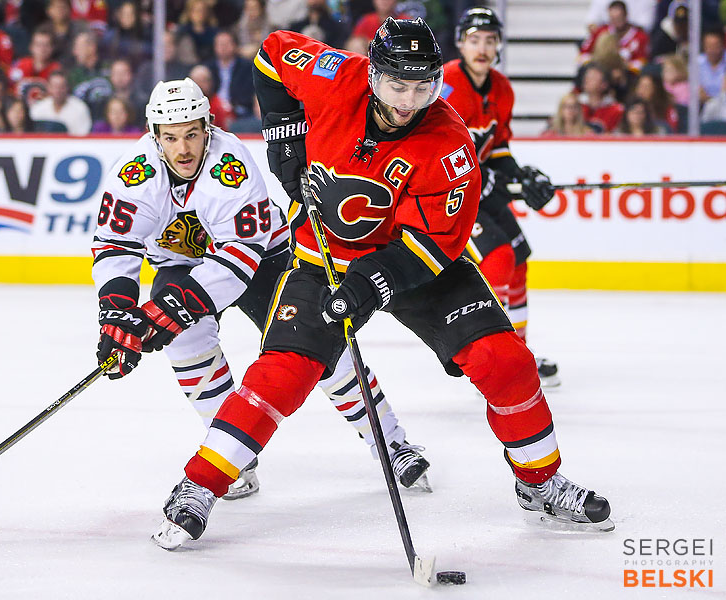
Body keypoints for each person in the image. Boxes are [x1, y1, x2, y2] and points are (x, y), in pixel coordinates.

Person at [151, 17, 614, 550]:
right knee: (282, 375)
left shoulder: (449, 143)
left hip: (415, 266)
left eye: (423, 86)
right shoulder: (334, 75)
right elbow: (272, 53)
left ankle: (541, 482)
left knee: (505, 361)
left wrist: (372, 284)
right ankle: (199, 487)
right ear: (373, 72)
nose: (408, 100)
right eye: (397, 83)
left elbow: (435, 244)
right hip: (321, 258)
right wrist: (284, 136)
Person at [92, 78, 432, 503]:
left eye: (193, 134)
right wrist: (115, 313)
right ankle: (232, 460)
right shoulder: (134, 173)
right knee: (186, 346)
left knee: (322, 344)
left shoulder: (229, 163)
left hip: (263, 261)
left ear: (208, 127)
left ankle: (390, 442)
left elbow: (237, 261)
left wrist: (169, 308)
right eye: (172, 137)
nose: (183, 149)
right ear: (154, 135)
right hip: (179, 267)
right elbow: (115, 244)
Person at [442, 7, 561, 388]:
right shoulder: (447, 84)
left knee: (519, 260)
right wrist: (482, 177)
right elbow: (436, 147)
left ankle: (518, 351)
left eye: (490, 40)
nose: (482, 47)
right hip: (449, 193)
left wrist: (522, 177)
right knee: (498, 259)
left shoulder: (502, 89)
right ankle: (484, 355)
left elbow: (498, 147)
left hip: (482, 185)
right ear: (461, 43)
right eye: (474, 39)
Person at [578, 1, 649, 72]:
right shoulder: (601, 32)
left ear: (626, 15)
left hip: (627, 75)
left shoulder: (640, 36)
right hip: (601, 72)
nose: (616, 22)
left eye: (619, 18)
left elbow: (642, 61)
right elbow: (583, 55)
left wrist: (624, 66)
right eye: (613, 19)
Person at [29, 70, 93, 134]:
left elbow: (83, 136)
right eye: (55, 86)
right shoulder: (38, 108)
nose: (58, 90)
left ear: (67, 87)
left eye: (61, 86)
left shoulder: (80, 108)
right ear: (48, 87)